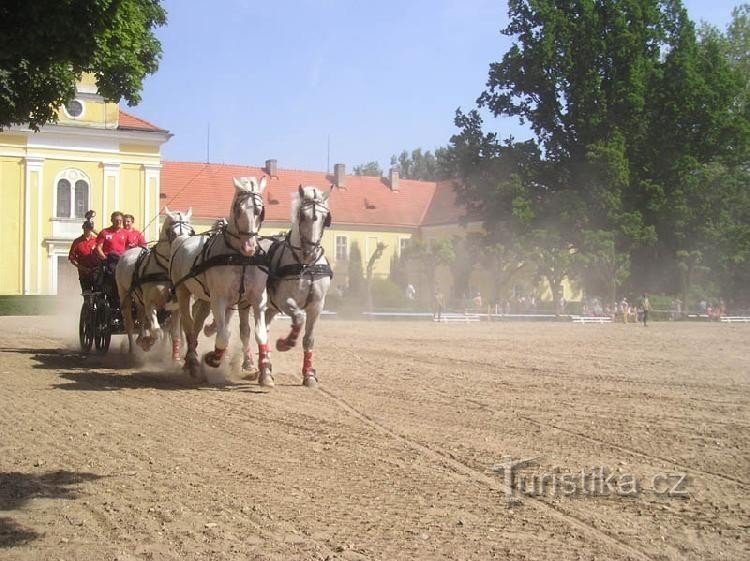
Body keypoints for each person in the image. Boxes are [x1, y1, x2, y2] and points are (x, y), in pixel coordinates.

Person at [68, 219, 98, 294]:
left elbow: (104, 237)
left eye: (90, 228)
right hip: (84, 274)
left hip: (96, 272)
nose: (88, 230)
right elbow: (72, 258)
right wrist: (82, 268)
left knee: (98, 295)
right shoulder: (77, 242)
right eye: (86, 228)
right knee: (87, 296)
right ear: (83, 228)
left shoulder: (96, 240)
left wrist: (93, 229)